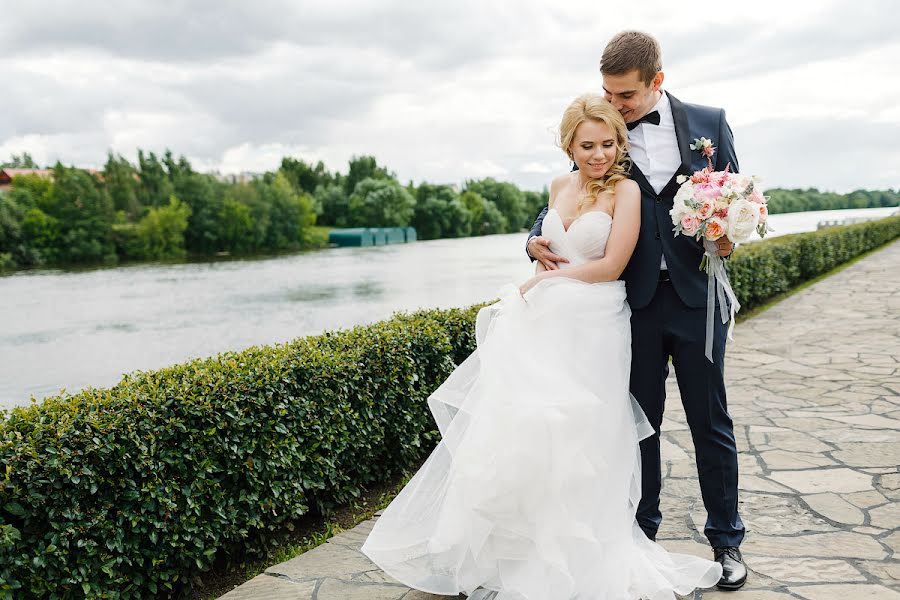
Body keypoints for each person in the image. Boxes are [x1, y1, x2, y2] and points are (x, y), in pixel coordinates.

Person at [362, 93, 723, 600]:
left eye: (608, 144)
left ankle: (585, 556)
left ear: (619, 145)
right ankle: (525, 552)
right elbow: (546, 250)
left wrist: (544, 285)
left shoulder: (627, 192)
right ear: (569, 146)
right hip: (544, 323)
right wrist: (537, 276)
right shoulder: (557, 186)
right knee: (527, 432)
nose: (599, 154)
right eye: (587, 145)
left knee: (583, 437)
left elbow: (611, 266)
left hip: (596, 323)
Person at [527, 31, 747, 591]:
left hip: (697, 298)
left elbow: (736, 195)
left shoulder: (708, 122)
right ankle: (638, 537)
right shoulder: (605, 134)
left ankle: (727, 542)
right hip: (632, 300)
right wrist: (533, 237)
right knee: (636, 424)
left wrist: (729, 234)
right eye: (608, 93)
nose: (615, 106)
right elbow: (571, 196)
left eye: (625, 96)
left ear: (657, 82)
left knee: (710, 420)